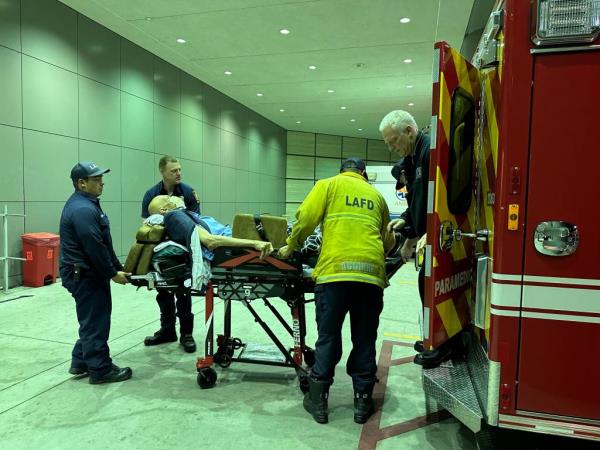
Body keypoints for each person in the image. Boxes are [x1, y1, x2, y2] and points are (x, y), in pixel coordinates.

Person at [278, 157, 395, 425]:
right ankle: (362, 403)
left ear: (342, 171)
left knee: (328, 335)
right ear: (363, 174)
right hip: (370, 277)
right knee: (364, 338)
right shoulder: (377, 196)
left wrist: (291, 244)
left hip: (334, 274)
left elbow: (306, 219)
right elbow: (388, 241)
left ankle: (319, 401)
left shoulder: (328, 185)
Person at [379, 110, 449, 367]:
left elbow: (437, 197)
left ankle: (440, 345)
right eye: (388, 144)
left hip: (440, 237)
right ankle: (433, 338)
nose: (391, 148)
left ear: (409, 130)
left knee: (433, 288)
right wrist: (408, 222)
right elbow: (418, 201)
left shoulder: (429, 152)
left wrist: (422, 233)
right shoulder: (414, 157)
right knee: (427, 286)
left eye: (393, 141)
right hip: (428, 236)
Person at [59, 161, 132, 385]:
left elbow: (102, 242)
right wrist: (113, 273)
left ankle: (81, 360)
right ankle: (100, 369)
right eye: (96, 179)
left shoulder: (87, 203)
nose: (102, 182)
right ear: (81, 183)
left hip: (86, 271)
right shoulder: (82, 209)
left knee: (92, 318)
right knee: (96, 320)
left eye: (101, 178)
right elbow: (94, 247)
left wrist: (119, 266)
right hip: (84, 274)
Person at [141, 156, 200, 353]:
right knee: (162, 291)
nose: (178, 173)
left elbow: (195, 222)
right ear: (163, 172)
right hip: (160, 251)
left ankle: (186, 334)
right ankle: (167, 331)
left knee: (183, 290)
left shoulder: (188, 193)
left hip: (182, 250)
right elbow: (147, 225)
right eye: (174, 170)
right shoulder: (151, 194)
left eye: (179, 169)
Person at [147, 195, 273, 260]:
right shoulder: (173, 215)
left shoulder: (184, 215)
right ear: (165, 208)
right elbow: (210, 241)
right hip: (235, 243)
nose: (175, 197)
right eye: (168, 197)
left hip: (236, 234)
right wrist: (255, 243)